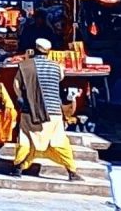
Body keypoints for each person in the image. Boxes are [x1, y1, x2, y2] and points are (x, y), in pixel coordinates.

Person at [12, 38, 83, 181]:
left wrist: (23, 98)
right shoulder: (57, 67)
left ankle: (18, 167)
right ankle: (71, 171)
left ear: (35, 49)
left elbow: (16, 84)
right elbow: (61, 78)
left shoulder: (25, 66)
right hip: (53, 113)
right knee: (59, 141)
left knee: (26, 140)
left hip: (30, 111)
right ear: (48, 51)